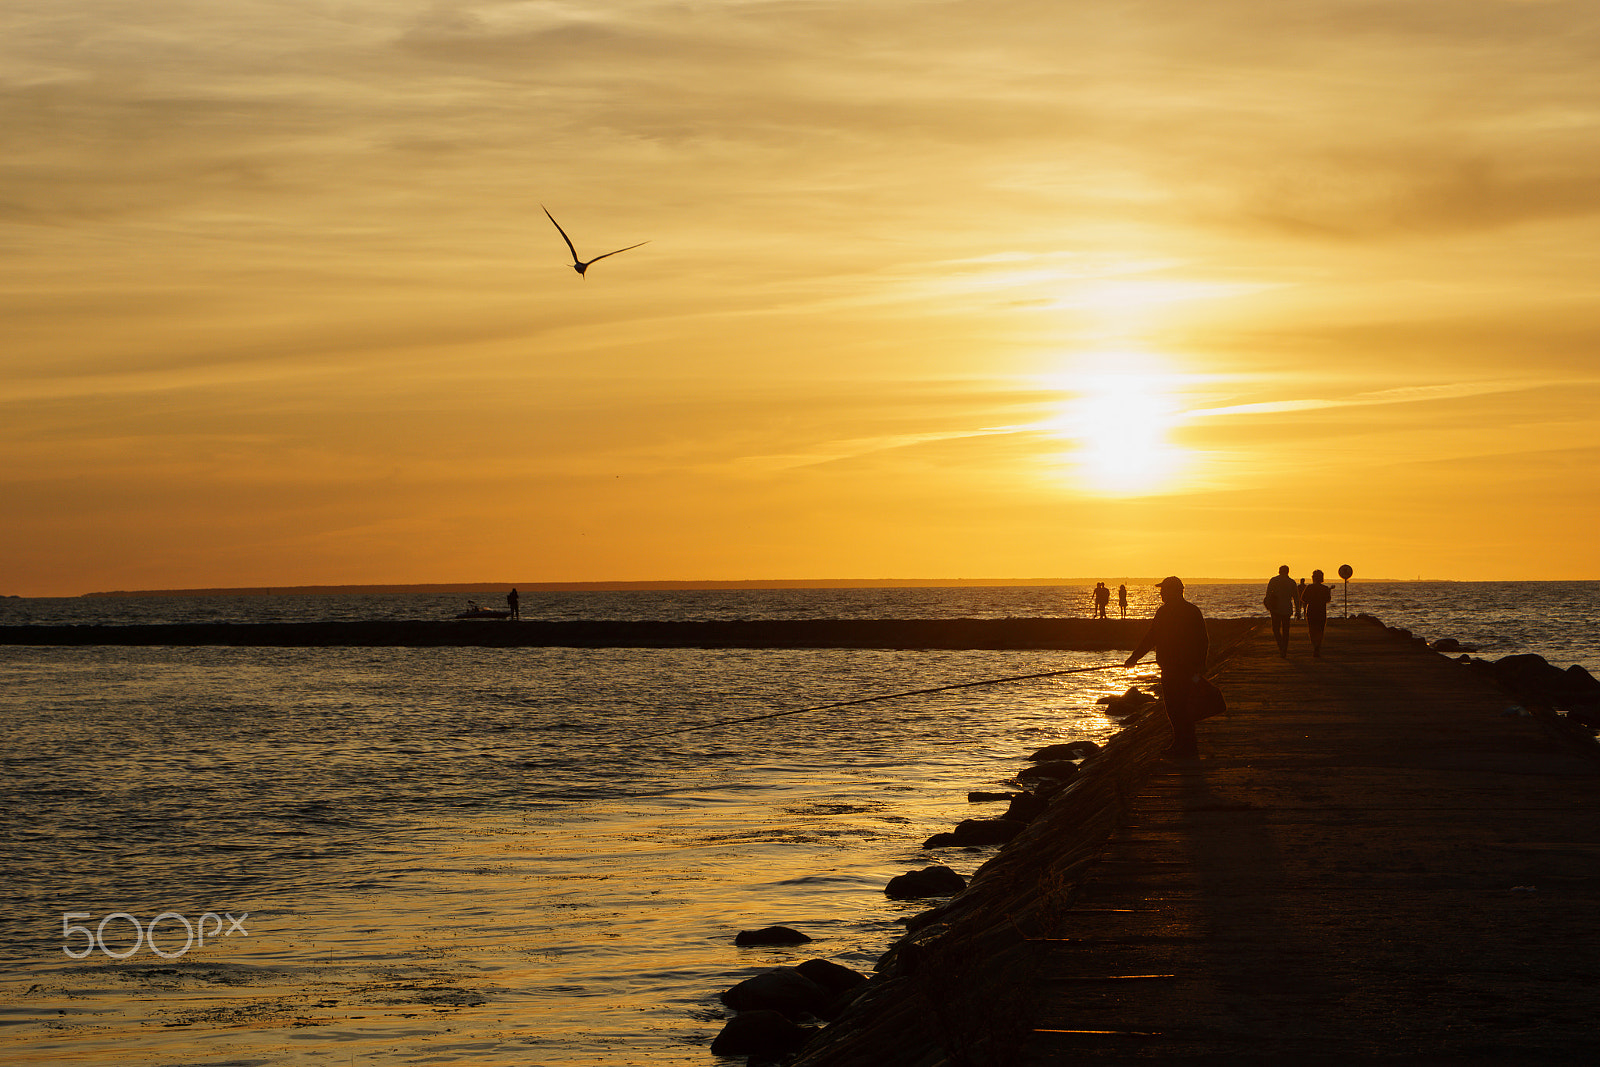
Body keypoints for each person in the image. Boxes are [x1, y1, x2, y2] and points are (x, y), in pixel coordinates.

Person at [1124, 576, 1210, 759]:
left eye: (1165, 590)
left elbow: (1201, 640)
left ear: (1177, 591)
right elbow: (1152, 638)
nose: (1161, 593)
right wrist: (1134, 657)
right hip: (1173, 669)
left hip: (1182, 670)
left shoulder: (1181, 612)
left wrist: (1200, 664)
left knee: (1179, 708)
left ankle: (1184, 746)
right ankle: (1184, 744)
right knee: (1176, 708)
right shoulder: (1182, 611)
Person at [1264, 564, 1297, 657]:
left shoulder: (1273, 580)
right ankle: (1284, 648)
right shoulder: (1291, 582)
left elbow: (1268, 595)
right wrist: (1298, 610)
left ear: (1279, 571)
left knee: (1276, 629)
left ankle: (1281, 645)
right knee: (1286, 630)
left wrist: (1268, 605)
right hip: (1287, 609)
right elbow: (1296, 598)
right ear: (1288, 572)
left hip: (1275, 609)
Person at [1302, 570, 1333, 657]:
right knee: (1320, 629)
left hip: (1311, 610)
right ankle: (1317, 646)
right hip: (1321, 611)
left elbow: (1303, 598)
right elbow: (1328, 599)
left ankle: (1315, 645)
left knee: (1312, 630)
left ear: (1313, 578)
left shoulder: (1309, 587)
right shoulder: (1325, 588)